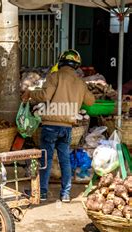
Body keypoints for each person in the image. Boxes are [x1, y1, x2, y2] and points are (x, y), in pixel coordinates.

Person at [22, 49, 95, 203]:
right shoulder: (80, 82)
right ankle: (66, 194)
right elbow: (91, 101)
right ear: (76, 65)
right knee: (65, 160)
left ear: (61, 62)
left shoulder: (54, 76)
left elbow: (44, 96)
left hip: (50, 126)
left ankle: (42, 192)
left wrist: (30, 93)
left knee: (46, 160)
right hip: (67, 127)